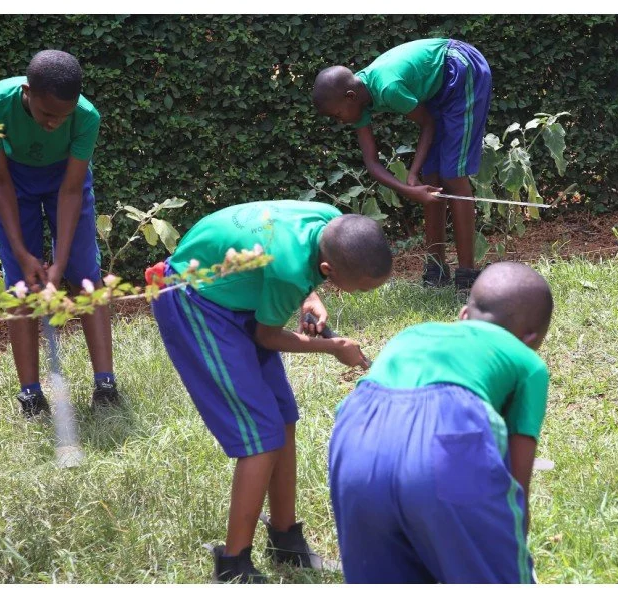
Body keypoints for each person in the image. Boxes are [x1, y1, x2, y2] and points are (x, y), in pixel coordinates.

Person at [149, 202, 391, 583]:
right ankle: (233, 566)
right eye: (359, 287)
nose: (360, 293)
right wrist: (333, 347)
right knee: (261, 437)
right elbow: (267, 336)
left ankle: (286, 541)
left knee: (283, 419)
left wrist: (311, 298)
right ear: (329, 270)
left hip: (239, 295)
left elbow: (303, 277)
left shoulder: (331, 222)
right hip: (194, 298)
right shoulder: (290, 270)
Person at [329, 262, 552, 584]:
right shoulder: (527, 361)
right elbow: (517, 481)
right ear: (530, 338)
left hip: (356, 433)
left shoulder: (411, 333)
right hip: (449, 427)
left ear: (463, 314)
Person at [0, 50, 118, 416]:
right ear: (27, 92)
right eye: (47, 114)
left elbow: (71, 191)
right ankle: (31, 395)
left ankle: (105, 384)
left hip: (63, 179)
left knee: (85, 276)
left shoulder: (86, 117)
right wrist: (23, 253)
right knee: (20, 284)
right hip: (13, 180)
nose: (55, 123)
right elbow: (1, 184)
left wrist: (61, 263)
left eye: (62, 116)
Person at [312, 37, 493, 295]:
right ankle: (436, 269)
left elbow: (428, 123)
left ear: (350, 97)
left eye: (337, 115)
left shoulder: (388, 88)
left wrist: (410, 175)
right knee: (431, 176)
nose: (339, 122)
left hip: (460, 67)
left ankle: (467, 275)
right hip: (438, 84)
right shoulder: (358, 101)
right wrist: (410, 183)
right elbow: (372, 163)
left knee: (453, 175)